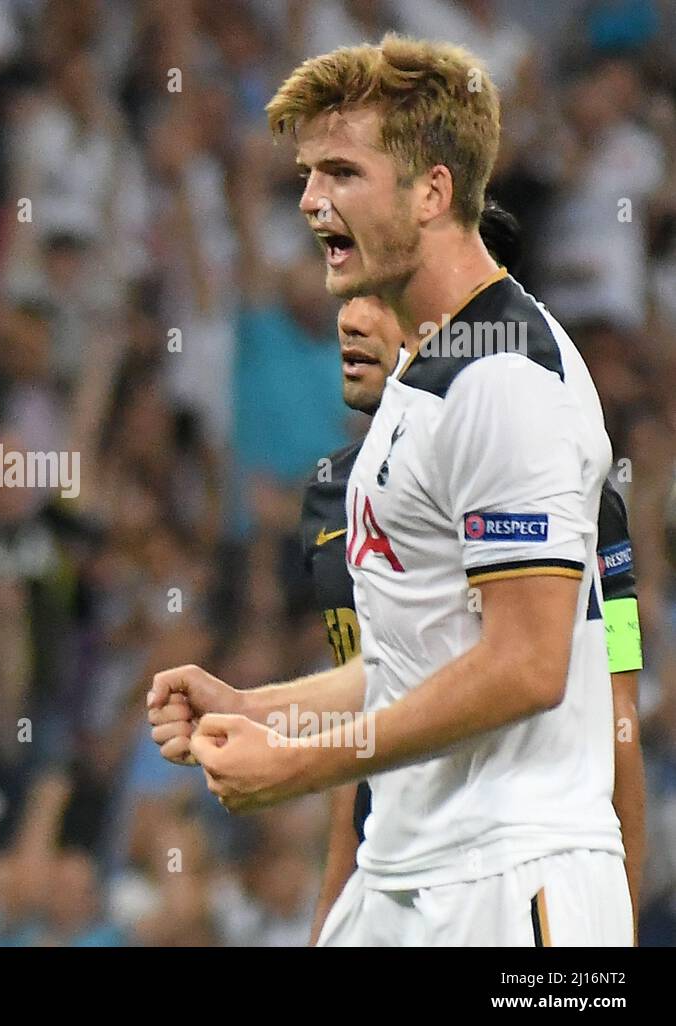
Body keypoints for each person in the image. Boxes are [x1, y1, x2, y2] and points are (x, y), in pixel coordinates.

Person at [148, 35, 632, 946]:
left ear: (433, 192)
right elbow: (423, 657)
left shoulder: (507, 379)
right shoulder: (421, 376)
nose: (309, 201)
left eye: (341, 171)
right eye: (306, 174)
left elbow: (527, 666)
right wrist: (261, 711)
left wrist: (299, 768)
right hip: (407, 878)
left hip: (513, 880)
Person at [301, 202, 646, 944]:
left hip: (515, 873)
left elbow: (617, 721)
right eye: (348, 293)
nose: (353, 321)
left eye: (382, 296)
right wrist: (333, 919)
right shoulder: (332, 501)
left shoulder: (581, 505)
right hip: (396, 882)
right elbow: (366, 738)